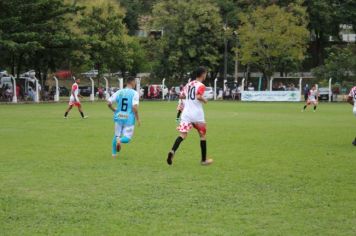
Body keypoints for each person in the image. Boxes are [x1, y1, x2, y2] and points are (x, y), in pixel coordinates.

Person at [166, 66, 213, 166]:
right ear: (203, 74)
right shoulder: (201, 85)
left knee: (182, 135)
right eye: (206, 73)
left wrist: (188, 99)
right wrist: (205, 100)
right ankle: (203, 160)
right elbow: (199, 96)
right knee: (202, 136)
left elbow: (181, 96)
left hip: (186, 114)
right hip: (197, 114)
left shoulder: (188, 84)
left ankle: (172, 151)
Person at [107, 77, 141, 158]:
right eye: (135, 82)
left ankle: (114, 155)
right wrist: (138, 118)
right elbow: (134, 107)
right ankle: (120, 141)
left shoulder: (119, 92)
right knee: (127, 138)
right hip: (128, 118)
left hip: (119, 116)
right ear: (132, 82)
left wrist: (114, 110)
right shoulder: (134, 93)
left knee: (116, 136)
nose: (135, 84)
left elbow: (108, 103)